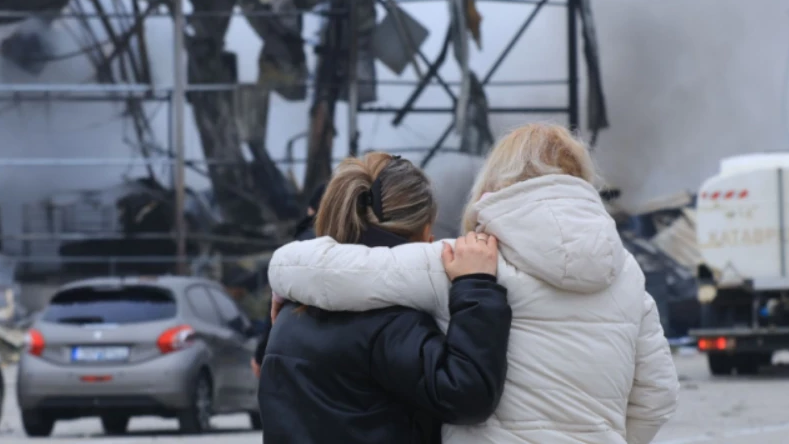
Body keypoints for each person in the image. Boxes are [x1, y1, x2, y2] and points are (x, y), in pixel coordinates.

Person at [269, 123, 680, 444]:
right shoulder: (626, 273)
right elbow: (658, 394)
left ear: (496, 181)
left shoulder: (472, 259)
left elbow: (343, 273)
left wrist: (284, 272)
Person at [259, 152, 512, 443]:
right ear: (425, 232)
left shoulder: (289, 314)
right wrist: (477, 285)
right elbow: (468, 396)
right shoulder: (392, 323)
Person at [251, 183, 327, 378]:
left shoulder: (299, 247)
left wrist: (260, 354)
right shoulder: (356, 243)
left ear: (311, 210)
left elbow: (275, 308)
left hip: (301, 347)